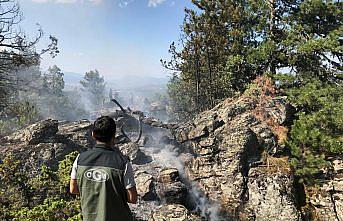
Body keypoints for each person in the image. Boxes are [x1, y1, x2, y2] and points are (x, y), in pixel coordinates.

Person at [70, 116, 137, 221]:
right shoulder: (123, 163)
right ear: (113, 137)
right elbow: (132, 198)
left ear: (93, 134)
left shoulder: (80, 159)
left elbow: (73, 189)